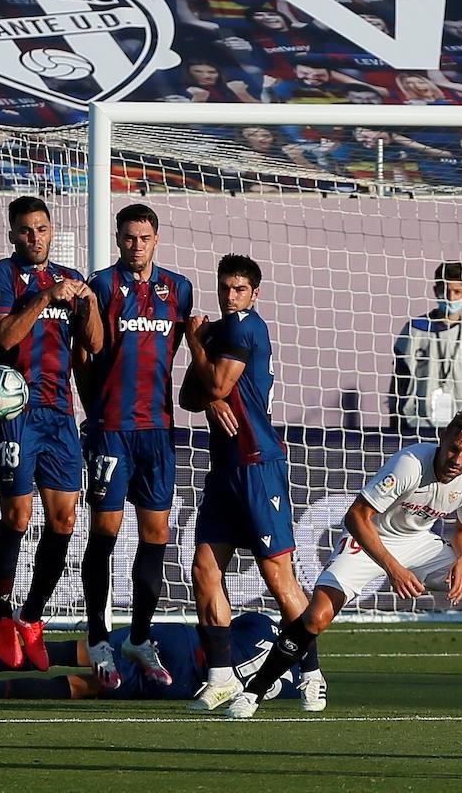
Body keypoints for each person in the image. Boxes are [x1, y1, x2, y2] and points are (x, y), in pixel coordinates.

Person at [224, 409, 462, 720]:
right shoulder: (411, 463)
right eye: (454, 448)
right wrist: (392, 568)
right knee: (317, 615)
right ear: (442, 439)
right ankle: (251, 693)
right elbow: (356, 516)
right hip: (368, 540)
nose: (457, 459)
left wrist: (461, 559)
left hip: (418, 545)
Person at [177, 254, 325, 712]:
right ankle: (221, 677)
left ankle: (312, 674)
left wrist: (192, 342)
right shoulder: (220, 332)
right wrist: (210, 399)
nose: (230, 296)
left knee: (277, 575)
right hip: (225, 468)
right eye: (225, 287)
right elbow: (189, 396)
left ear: (254, 293)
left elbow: (217, 382)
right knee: (204, 568)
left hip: (257, 463)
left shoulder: (245, 327)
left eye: (239, 289)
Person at [0, 196, 102, 670]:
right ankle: (1, 610)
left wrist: (87, 301)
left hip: (59, 413)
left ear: (52, 231)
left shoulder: (70, 277)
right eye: (26, 230)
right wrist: (46, 297)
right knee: (17, 518)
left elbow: (93, 343)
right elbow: (6, 337)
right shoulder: (0, 276)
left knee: (65, 521)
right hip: (15, 412)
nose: (35, 237)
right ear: (13, 235)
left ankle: (32, 616)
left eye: (42, 228)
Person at [78, 203, 193, 689]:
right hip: (112, 430)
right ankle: (100, 637)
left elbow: (183, 351)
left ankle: (138, 637)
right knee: (104, 533)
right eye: (128, 237)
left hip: (157, 432)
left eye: (143, 237)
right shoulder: (101, 285)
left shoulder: (179, 289)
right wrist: (96, 414)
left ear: (156, 239)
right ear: (120, 238)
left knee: (155, 537)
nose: (135, 245)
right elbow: (85, 354)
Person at [0, 611, 304, 704]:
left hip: (176, 641)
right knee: (83, 687)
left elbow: (218, 622)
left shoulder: (263, 626)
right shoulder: (287, 688)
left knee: (78, 652)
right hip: (182, 684)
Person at [390, 262, 462, 433]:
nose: (450, 297)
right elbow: (398, 380)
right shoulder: (414, 329)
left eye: (457, 292)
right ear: (435, 291)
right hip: (415, 424)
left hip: (456, 428)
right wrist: (395, 421)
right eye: (445, 291)